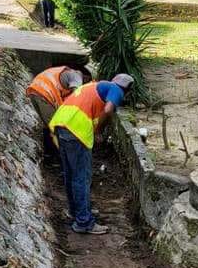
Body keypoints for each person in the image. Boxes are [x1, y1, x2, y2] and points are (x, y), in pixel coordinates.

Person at [49, 74, 134, 234]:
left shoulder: (93, 86)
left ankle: (76, 212)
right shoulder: (116, 89)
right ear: (127, 90)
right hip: (76, 130)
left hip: (61, 124)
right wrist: (99, 129)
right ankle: (84, 222)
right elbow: (108, 109)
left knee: (71, 174)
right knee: (81, 177)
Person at [26, 66, 85, 153]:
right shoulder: (77, 77)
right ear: (86, 78)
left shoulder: (65, 76)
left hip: (35, 90)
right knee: (55, 127)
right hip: (44, 93)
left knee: (49, 125)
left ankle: (49, 153)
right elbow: (77, 95)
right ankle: (58, 154)